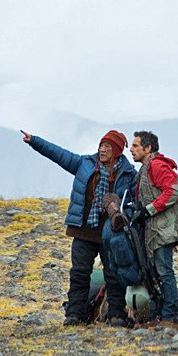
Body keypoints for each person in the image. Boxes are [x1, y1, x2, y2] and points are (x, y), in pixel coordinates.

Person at [21, 129, 136, 327]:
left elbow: (136, 201)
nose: (102, 150)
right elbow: (59, 154)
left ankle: (116, 315)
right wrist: (34, 141)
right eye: (101, 145)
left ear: (117, 151)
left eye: (108, 147)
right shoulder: (85, 164)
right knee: (80, 273)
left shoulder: (128, 174)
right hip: (83, 230)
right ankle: (75, 314)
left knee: (113, 275)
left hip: (111, 234)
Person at [129, 130, 178, 329]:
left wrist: (148, 211)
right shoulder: (146, 169)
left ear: (148, 148)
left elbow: (173, 193)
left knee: (164, 273)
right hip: (156, 230)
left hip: (163, 230)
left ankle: (170, 318)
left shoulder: (156, 166)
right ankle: (158, 317)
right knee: (155, 274)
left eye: (136, 146)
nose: (131, 150)